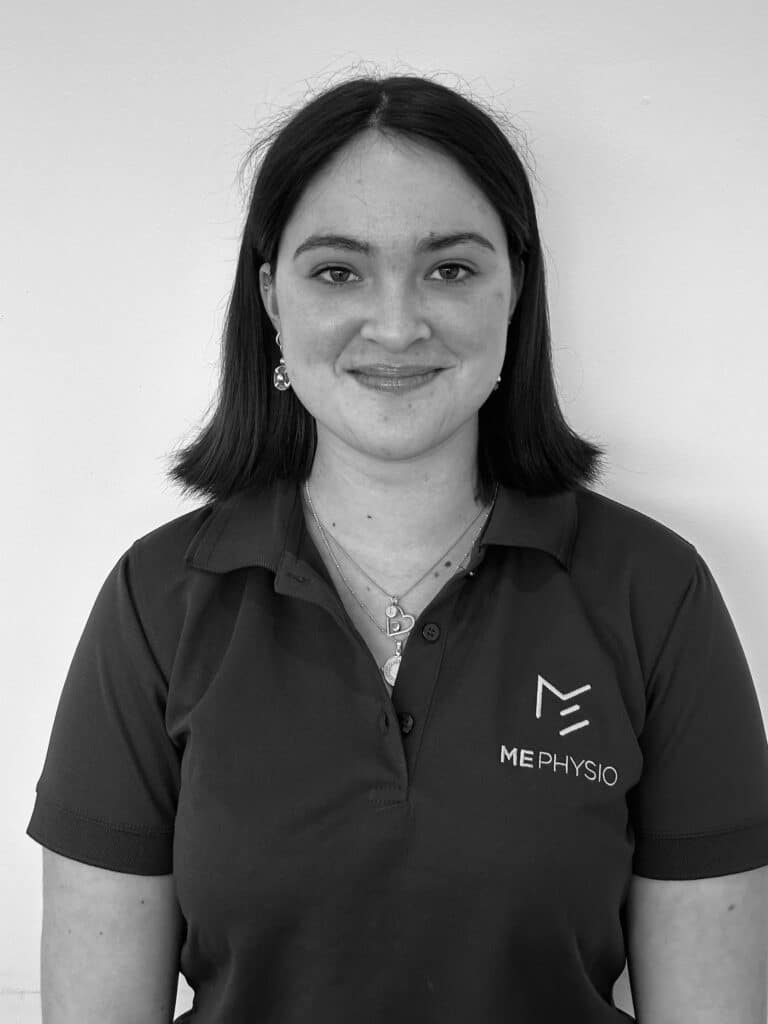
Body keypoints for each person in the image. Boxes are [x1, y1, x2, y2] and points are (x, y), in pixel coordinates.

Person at [27, 73, 768, 1023]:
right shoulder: (158, 599)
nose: (396, 324)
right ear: (271, 299)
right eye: (338, 270)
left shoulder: (653, 593)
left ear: (516, 291)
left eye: (450, 268)